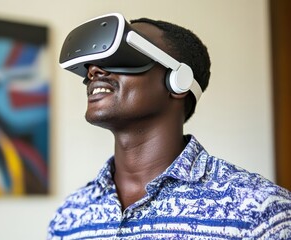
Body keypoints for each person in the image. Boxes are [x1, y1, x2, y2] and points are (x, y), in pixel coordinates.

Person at [48, 14, 291, 239]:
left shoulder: (261, 210)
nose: (94, 71)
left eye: (124, 56)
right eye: (92, 65)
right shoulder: (69, 217)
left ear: (178, 80)